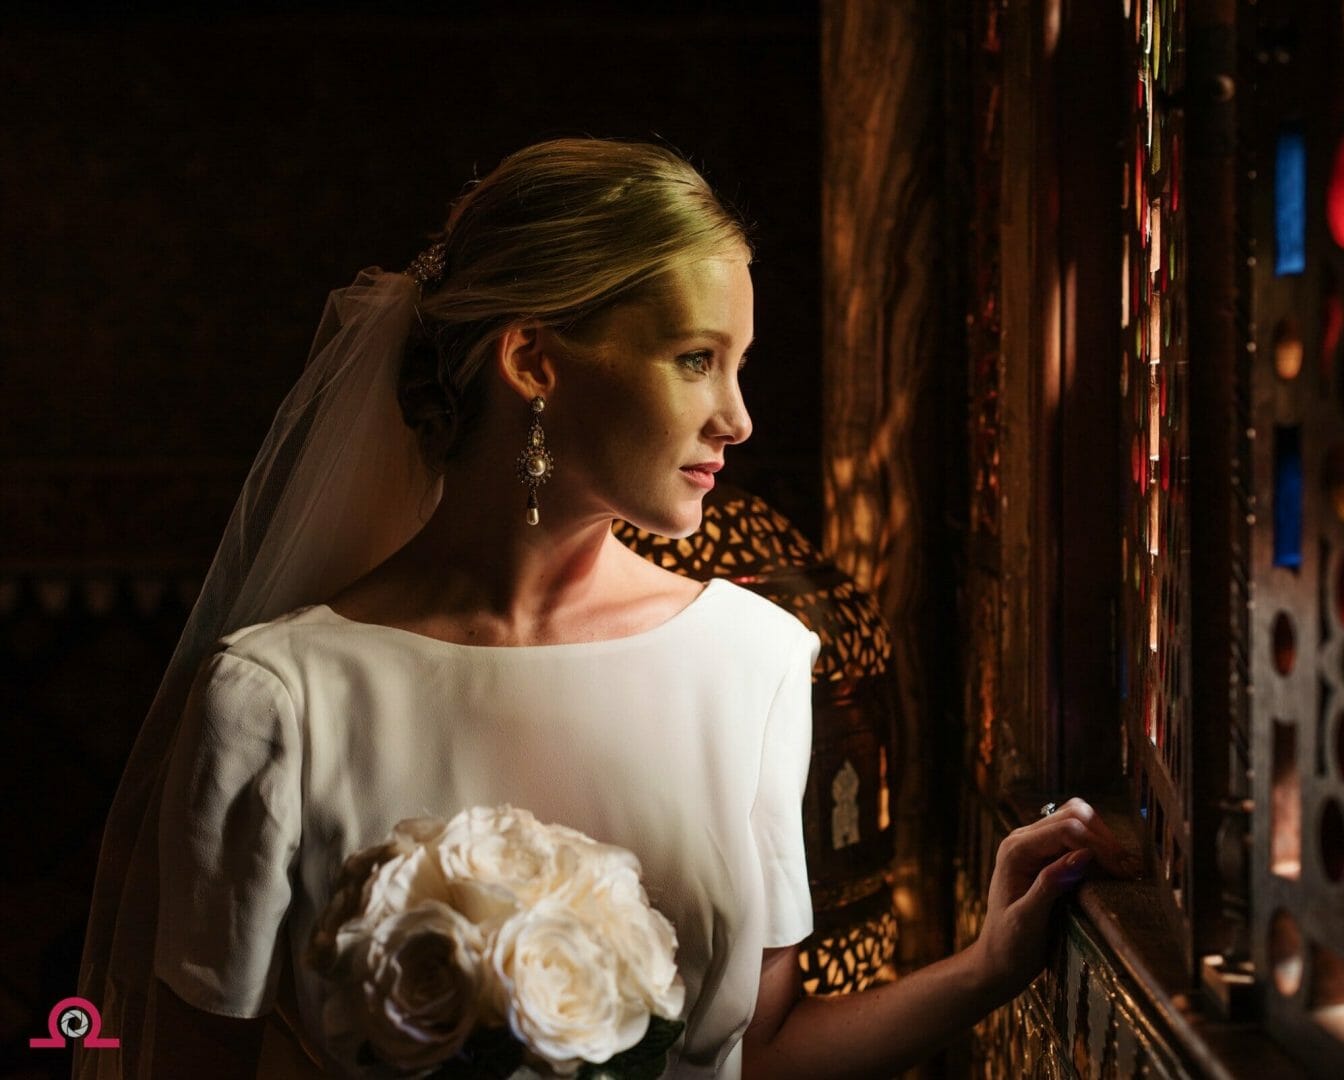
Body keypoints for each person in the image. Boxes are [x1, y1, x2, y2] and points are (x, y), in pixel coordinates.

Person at [75, 138, 1132, 1079]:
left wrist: (989, 967)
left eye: (741, 365)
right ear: (534, 360)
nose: (739, 418)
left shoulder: (753, 662)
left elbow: (759, 1051)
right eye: (694, 361)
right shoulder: (277, 700)